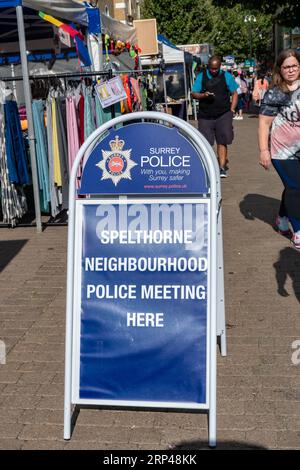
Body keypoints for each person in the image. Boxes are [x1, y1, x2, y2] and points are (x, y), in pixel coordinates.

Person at [258, 49, 300, 250]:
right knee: (295, 188)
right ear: (280, 70)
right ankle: (298, 231)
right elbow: (264, 124)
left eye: (294, 66)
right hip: (282, 150)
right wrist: (263, 150)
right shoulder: (275, 93)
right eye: (286, 67)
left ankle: (282, 218)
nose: (291, 70)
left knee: (293, 187)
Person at [191, 56, 238, 178]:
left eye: (216, 68)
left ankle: (222, 167)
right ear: (208, 66)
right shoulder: (201, 76)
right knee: (205, 142)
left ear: (220, 66)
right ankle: (208, 167)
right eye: (211, 68)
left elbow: (234, 93)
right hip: (205, 115)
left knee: (222, 141)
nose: (213, 71)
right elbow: (194, 93)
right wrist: (203, 95)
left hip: (223, 114)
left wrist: (232, 110)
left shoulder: (226, 76)